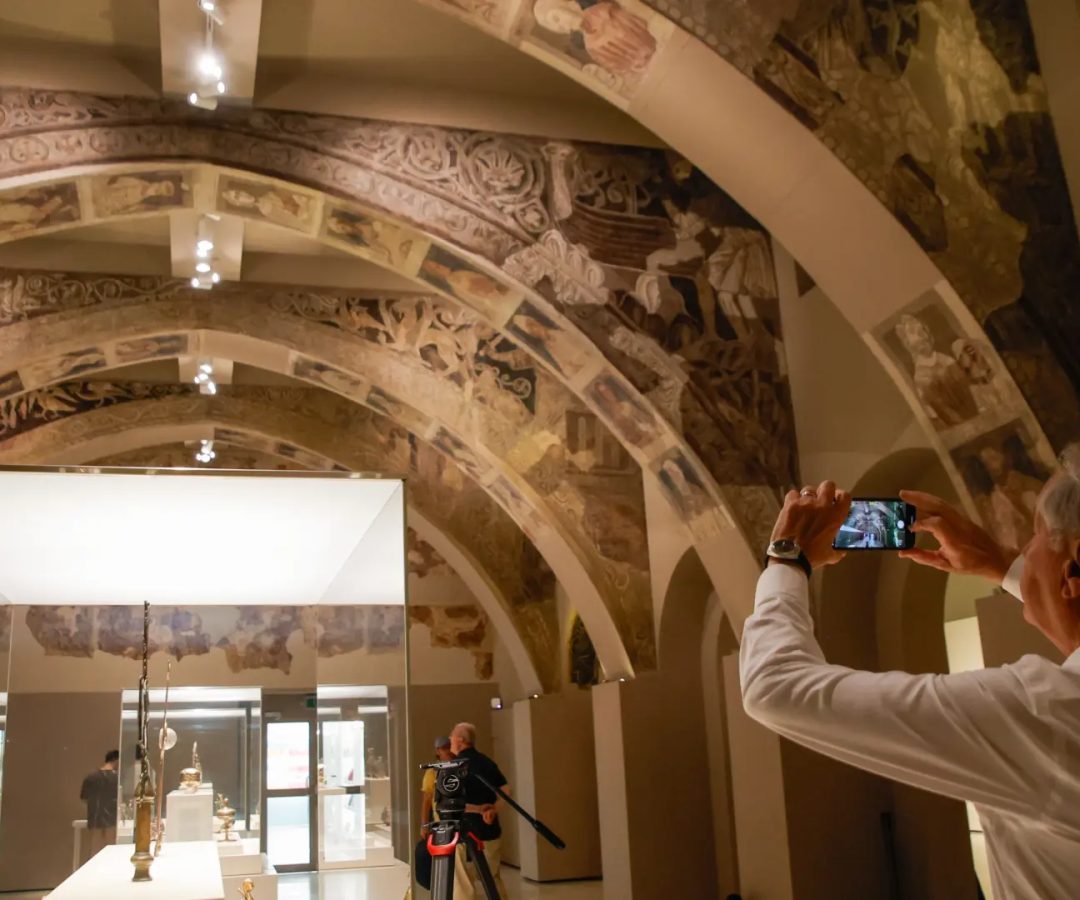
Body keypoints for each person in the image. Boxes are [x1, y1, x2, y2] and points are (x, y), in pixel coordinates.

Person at [743, 446, 1080, 899]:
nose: (1026, 546)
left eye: (1036, 534)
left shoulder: (1045, 713)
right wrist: (1002, 566)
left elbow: (775, 688)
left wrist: (786, 560)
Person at [451, 722, 510, 899]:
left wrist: (476, 809)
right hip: (489, 830)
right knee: (492, 878)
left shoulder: (454, 766)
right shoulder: (487, 762)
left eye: (452, 735)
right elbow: (506, 791)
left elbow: (451, 801)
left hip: (463, 832)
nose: (450, 739)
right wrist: (493, 810)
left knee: (463, 882)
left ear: (460, 740)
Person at [80, 749, 119, 859]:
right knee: (111, 855)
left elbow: (84, 798)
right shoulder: (117, 779)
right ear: (116, 760)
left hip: (95, 820)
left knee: (94, 855)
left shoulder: (91, 777)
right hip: (112, 821)